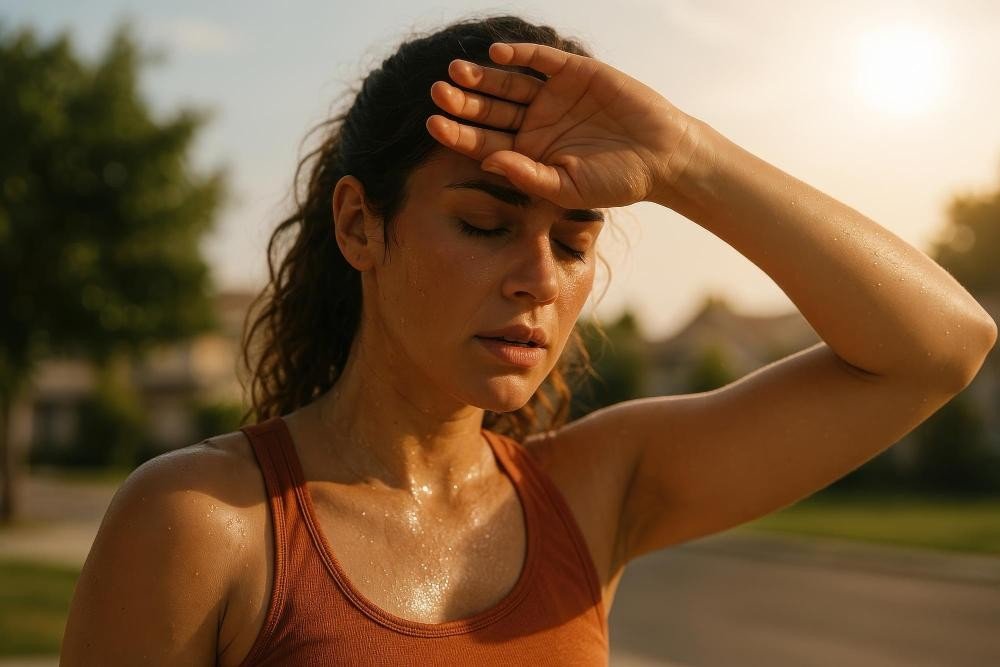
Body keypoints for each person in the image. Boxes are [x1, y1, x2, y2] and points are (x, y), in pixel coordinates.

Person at [61, 14, 996, 666]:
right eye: (485, 224)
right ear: (359, 225)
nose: (540, 279)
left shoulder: (595, 491)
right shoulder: (199, 521)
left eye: (575, 242)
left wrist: (685, 157)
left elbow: (942, 346)